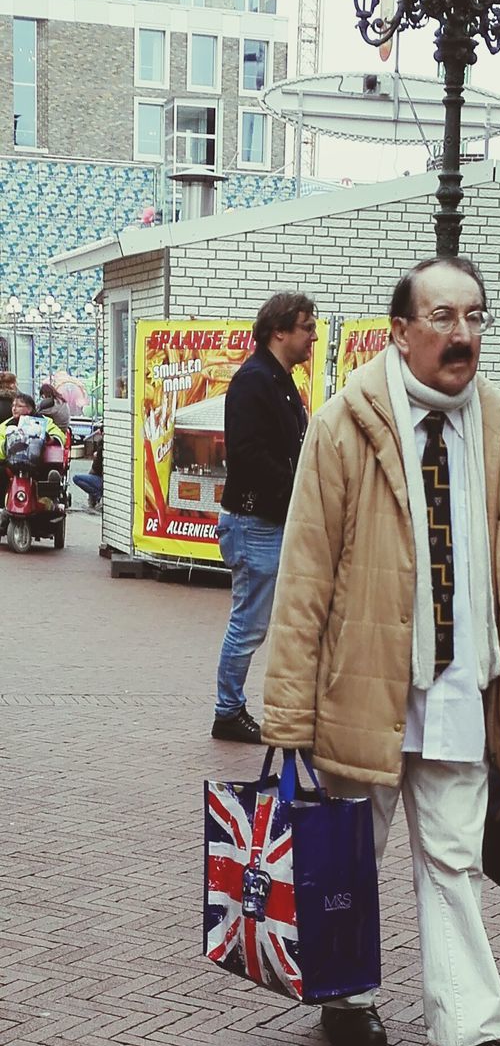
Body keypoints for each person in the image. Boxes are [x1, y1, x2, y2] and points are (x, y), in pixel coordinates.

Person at [262, 257, 500, 1046]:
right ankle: (347, 995)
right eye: (441, 317)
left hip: (464, 685)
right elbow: (305, 569)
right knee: (353, 854)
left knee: (454, 861)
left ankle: (469, 1042)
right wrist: (286, 707)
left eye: (473, 317)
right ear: (400, 330)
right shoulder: (347, 422)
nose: (460, 335)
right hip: (363, 684)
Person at [211, 291, 318, 744]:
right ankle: (228, 711)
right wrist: (298, 488)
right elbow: (249, 455)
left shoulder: (276, 378)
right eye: (307, 327)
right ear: (279, 332)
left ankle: (233, 708)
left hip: (266, 521)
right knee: (249, 623)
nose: (313, 336)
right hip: (255, 523)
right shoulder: (256, 380)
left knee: (254, 621)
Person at [72, 430, 103, 509]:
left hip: (100, 479)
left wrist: (95, 458)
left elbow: (96, 467)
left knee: (76, 478)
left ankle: (97, 494)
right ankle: (95, 498)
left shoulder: (101, 448)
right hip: (102, 478)